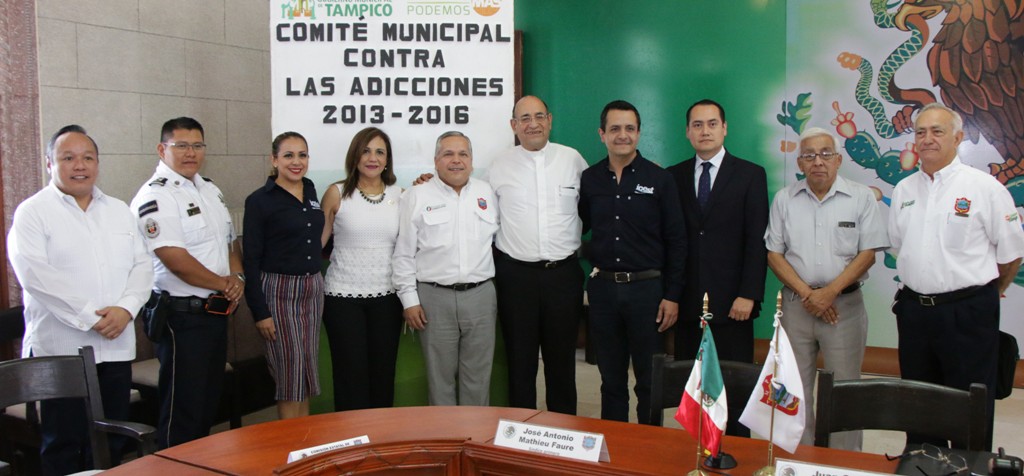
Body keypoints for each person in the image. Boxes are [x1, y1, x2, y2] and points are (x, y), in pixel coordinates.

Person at [8, 125, 153, 475]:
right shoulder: (33, 212)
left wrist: (126, 309)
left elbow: (143, 265)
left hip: (116, 347)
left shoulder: (119, 210)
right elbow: (37, 276)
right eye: (68, 157)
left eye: (88, 157)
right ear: (49, 163)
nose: (80, 165)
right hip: (61, 353)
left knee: (112, 440)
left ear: (98, 163)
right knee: (64, 443)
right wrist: (93, 317)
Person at [889, 102, 1024, 447]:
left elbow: (1011, 256)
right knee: (918, 404)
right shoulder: (904, 190)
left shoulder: (985, 188)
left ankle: (971, 468)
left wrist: (983, 295)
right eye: (921, 132)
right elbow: (898, 247)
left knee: (969, 408)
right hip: (914, 312)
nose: (927, 139)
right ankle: (921, 463)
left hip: (967, 314)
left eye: (937, 131)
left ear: (958, 137)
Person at [765, 127, 889, 450]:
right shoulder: (784, 199)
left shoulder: (861, 197)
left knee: (846, 390)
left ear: (838, 159)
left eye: (825, 154)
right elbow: (773, 255)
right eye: (809, 156)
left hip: (844, 308)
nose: (817, 161)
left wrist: (830, 292)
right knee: (793, 387)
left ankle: (844, 462)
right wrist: (810, 295)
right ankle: (799, 459)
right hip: (796, 306)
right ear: (800, 163)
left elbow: (868, 254)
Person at [130, 117, 244, 448]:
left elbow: (228, 243)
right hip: (183, 317)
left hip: (216, 312)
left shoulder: (209, 189)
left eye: (197, 145)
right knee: (184, 410)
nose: (190, 153)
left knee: (207, 404)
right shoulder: (156, 197)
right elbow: (174, 259)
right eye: (181, 145)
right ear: (162, 149)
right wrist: (224, 283)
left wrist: (236, 277)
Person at [578, 100, 686, 424]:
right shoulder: (590, 179)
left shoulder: (660, 179)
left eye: (629, 128)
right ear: (602, 134)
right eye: (614, 129)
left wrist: (672, 295)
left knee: (649, 381)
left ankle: (648, 454)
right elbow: (577, 226)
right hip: (603, 293)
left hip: (647, 293)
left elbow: (677, 241)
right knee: (611, 382)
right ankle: (616, 450)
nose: (622, 135)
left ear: (638, 133)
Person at [488, 95, 587, 414]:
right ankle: (521, 436)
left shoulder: (572, 159)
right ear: (513, 126)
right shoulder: (498, 165)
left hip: (563, 275)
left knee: (562, 363)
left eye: (539, 116)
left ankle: (564, 433)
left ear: (550, 120)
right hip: (516, 277)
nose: (533, 124)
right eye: (524, 118)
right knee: (520, 362)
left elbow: (597, 202)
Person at [392, 131, 499, 406]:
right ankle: (446, 444)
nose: (456, 161)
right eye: (448, 154)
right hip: (433, 299)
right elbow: (403, 253)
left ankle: (474, 442)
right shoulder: (416, 195)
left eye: (463, 154)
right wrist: (409, 300)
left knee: (478, 378)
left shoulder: (487, 192)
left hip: (480, 297)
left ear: (472, 161)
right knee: (440, 381)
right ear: (436, 160)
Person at [242, 131, 324, 419]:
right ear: (274, 159)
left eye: (302, 155)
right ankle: (292, 450)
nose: (296, 161)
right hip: (279, 292)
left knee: (305, 373)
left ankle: (306, 444)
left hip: (312, 291)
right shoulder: (260, 201)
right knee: (289, 377)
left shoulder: (311, 190)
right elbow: (249, 260)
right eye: (288, 155)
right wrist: (260, 312)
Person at [321, 127, 404, 411]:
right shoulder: (336, 193)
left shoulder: (400, 195)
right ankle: (352, 445)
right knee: (349, 376)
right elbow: (316, 244)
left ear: (387, 159)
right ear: (355, 155)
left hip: (388, 298)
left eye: (380, 152)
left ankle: (380, 443)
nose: (372, 158)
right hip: (342, 298)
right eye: (366, 151)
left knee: (383, 374)